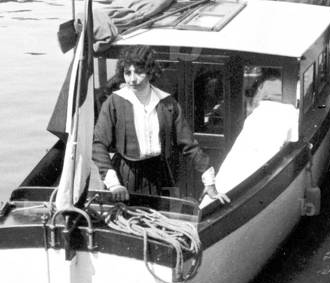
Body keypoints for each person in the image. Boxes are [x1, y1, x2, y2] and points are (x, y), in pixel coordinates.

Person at [92, 46, 229, 204]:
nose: (132, 79)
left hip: (160, 176)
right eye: (127, 73)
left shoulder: (167, 103)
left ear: (150, 72)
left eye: (139, 72)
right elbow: (98, 143)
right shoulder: (114, 103)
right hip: (124, 178)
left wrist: (210, 183)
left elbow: (189, 145)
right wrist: (113, 183)